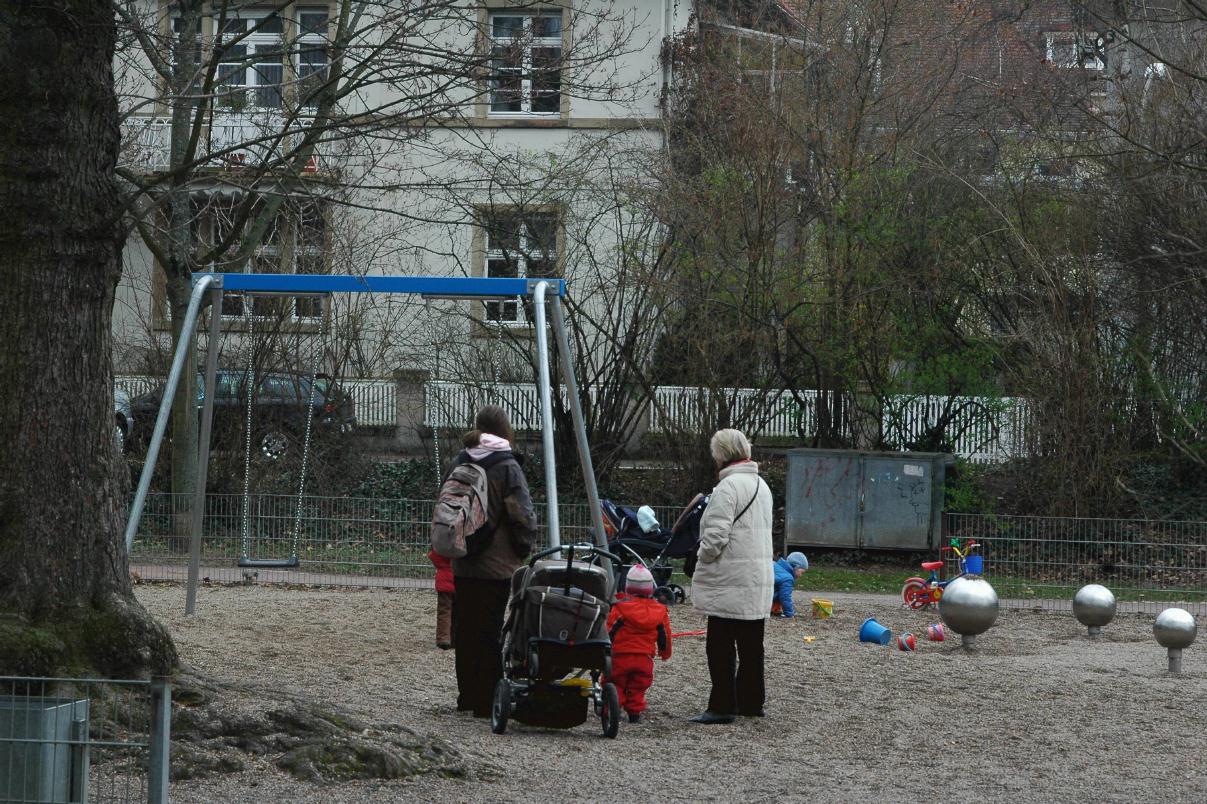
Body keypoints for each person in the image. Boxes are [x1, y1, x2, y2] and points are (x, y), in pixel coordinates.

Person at [448, 406, 538, 718]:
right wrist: (524, 548)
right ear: (505, 430)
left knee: (466, 628)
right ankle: (487, 701)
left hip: (462, 557)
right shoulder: (507, 465)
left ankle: (467, 695)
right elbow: (521, 512)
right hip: (497, 564)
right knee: (490, 631)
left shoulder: (461, 459)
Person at [689, 428, 774, 724]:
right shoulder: (762, 486)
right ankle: (752, 701)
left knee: (720, 645)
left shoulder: (727, 488)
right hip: (756, 578)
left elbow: (715, 538)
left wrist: (699, 557)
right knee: (752, 646)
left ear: (721, 455)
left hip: (729, 579)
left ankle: (722, 704)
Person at [606, 565, 673, 724]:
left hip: (620, 656)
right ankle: (634, 712)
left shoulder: (620, 607)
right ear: (651, 588)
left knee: (616, 683)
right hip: (644, 658)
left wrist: (605, 649)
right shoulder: (660, 611)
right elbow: (665, 635)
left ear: (627, 586)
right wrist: (665, 652)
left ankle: (612, 709)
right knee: (638, 686)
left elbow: (609, 629)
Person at [428, 548, 455, 649]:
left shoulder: (442, 544)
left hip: (444, 583)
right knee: (457, 611)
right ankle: (454, 638)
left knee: (444, 611)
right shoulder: (462, 545)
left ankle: (443, 638)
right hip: (459, 580)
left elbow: (433, 556)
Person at [771, 552, 809, 618]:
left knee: (779, 589)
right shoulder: (788, 578)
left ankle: (774, 609)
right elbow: (785, 598)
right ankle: (774, 609)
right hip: (767, 597)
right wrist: (789, 614)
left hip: (761, 592)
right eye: (802, 572)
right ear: (796, 567)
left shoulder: (775, 565)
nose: (801, 575)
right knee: (783, 594)